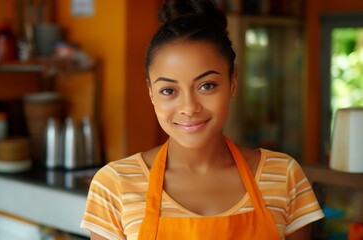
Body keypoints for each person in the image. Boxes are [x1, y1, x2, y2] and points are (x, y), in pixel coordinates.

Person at [80, 0, 324, 239]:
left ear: (233, 83)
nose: (189, 107)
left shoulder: (284, 176)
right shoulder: (115, 185)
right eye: (168, 90)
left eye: (206, 86)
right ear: (150, 93)